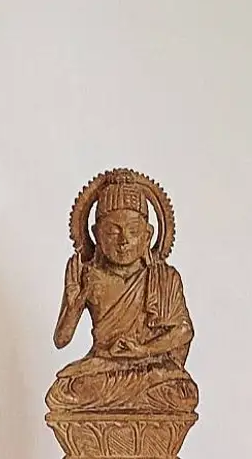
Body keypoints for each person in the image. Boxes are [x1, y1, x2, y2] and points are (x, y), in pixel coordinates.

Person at [46, 176, 198, 414]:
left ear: (147, 235)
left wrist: (143, 351)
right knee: (64, 392)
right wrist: (75, 304)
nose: (124, 241)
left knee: (182, 393)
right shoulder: (87, 275)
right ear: (96, 234)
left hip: (150, 369)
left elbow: (183, 331)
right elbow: (61, 340)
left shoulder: (164, 277)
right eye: (112, 231)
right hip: (102, 368)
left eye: (133, 231)